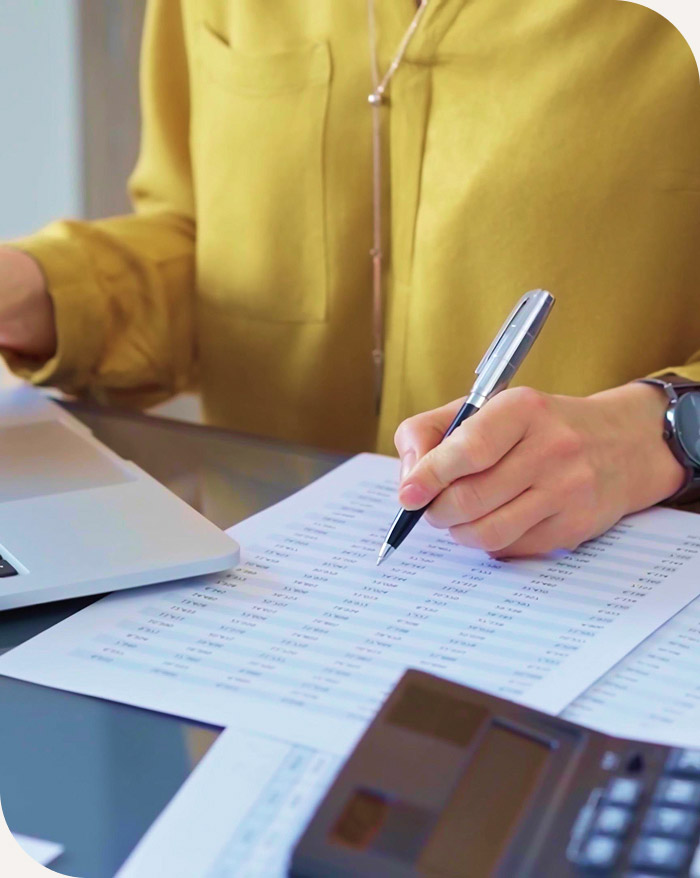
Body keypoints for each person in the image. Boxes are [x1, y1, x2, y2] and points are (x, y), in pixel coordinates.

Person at [0, 0, 698, 557]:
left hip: (605, 614)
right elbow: (212, 244)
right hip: (259, 604)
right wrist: (38, 290)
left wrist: (663, 432)